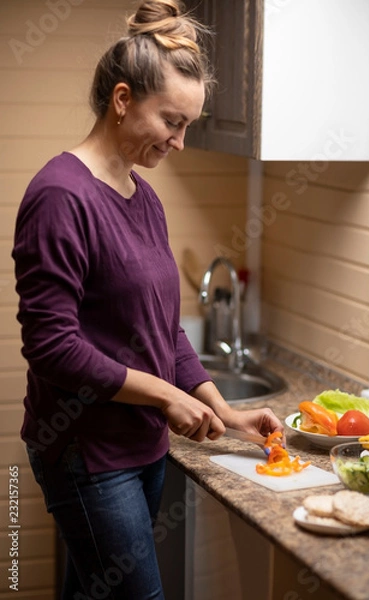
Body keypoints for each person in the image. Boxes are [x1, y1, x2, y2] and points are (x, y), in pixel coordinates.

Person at [12, 1, 284, 598]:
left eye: (189, 125)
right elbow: (52, 348)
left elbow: (163, 332)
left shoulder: (144, 197)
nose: (181, 142)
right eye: (172, 121)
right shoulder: (60, 196)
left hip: (143, 446)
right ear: (122, 99)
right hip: (88, 453)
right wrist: (166, 398)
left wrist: (225, 411)